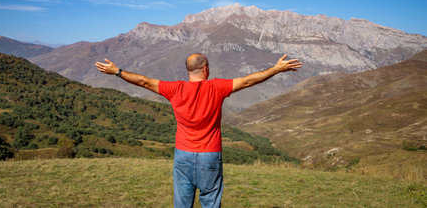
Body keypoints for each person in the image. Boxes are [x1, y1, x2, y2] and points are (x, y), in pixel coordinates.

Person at [95, 53, 302, 208]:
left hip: (183, 155)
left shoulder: (174, 89)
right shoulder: (217, 87)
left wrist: (117, 71)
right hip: (210, 155)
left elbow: (143, 81)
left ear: (188, 71)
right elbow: (249, 80)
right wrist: (276, 69)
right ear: (206, 70)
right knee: (211, 202)